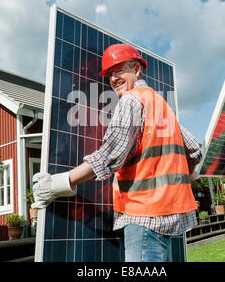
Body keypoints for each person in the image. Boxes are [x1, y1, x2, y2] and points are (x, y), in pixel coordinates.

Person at [32, 44, 201, 262]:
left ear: (137, 69)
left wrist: (60, 183)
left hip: (143, 217)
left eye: (119, 70)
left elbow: (111, 154)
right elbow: (194, 150)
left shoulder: (131, 100)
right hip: (169, 218)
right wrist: (182, 179)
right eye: (110, 74)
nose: (113, 78)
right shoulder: (160, 104)